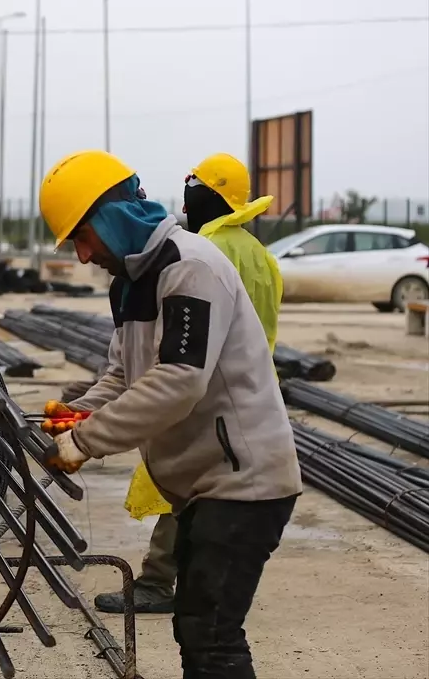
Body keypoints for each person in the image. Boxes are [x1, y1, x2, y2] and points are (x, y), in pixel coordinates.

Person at [37, 150, 302, 679]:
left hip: (245, 482)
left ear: (111, 216)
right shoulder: (134, 280)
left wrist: (88, 441)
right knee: (198, 628)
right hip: (207, 484)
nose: (83, 256)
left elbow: (181, 380)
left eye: (82, 237)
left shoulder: (190, 268)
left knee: (212, 635)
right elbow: (124, 374)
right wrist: (79, 413)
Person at [95, 152, 285, 616]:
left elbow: (183, 364)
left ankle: (159, 582)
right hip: (245, 393)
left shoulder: (198, 252)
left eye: (194, 187)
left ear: (212, 195)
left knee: (188, 493)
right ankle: (191, 585)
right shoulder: (258, 254)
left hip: (209, 401)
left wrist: (85, 438)